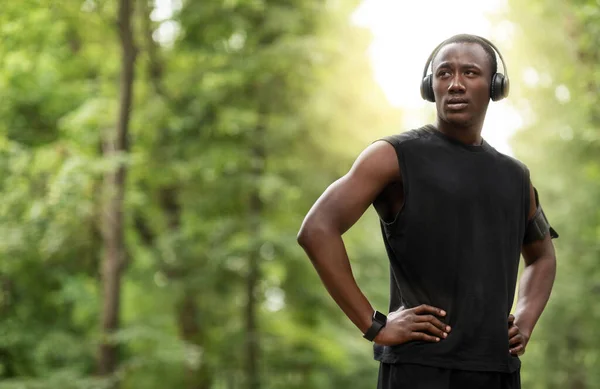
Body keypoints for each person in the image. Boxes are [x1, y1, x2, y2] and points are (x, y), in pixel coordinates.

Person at [297, 34, 558, 389]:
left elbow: (542, 257)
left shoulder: (517, 178)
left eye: (470, 73)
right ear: (429, 85)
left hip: (498, 371)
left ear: (495, 86)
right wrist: (374, 324)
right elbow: (317, 229)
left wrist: (525, 321)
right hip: (418, 371)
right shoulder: (392, 157)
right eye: (444, 73)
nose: (455, 84)